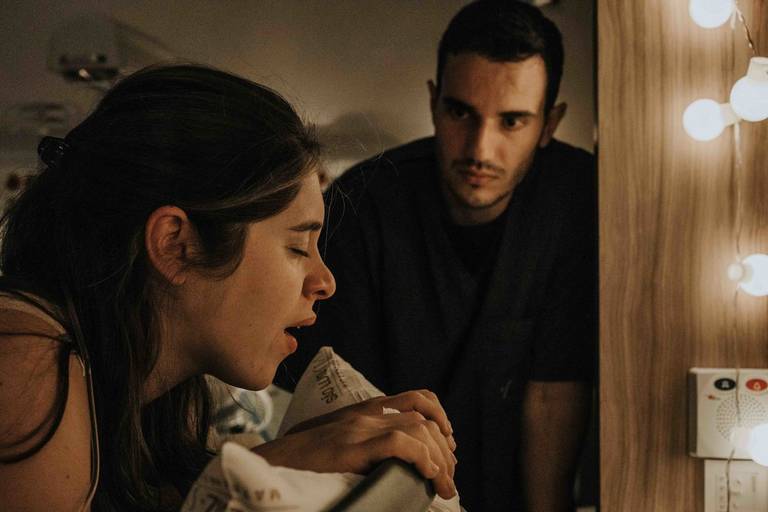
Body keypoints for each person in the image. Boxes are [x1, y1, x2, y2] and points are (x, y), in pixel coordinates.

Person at [0, 64, 458, 511]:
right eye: (298, 247)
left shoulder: (167, 401)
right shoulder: (26, 368)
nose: (326, 282)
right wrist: (273, 465)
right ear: (176, 245)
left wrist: (309, 445)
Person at [281, 2, 597, 511]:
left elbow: (553, 395)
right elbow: (337, 409)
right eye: (460, 112)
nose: (480, 149)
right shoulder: (363, 205)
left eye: (512, 121)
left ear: (549, 124)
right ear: (433, 102)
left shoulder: (576, 198)